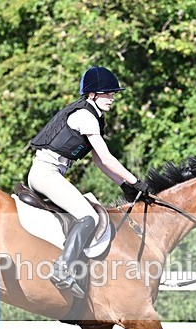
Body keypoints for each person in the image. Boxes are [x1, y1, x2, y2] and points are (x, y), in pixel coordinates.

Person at [28, 66, 150, 298]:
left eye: (113, 94)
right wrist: (136, 181)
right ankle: (62, 270)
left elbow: (98, 162)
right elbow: (106, 157)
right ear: (93, 94)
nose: (112, 98)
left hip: (49, 173)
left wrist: (123, 185)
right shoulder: (85, 116)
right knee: (89, 216)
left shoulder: (93, 116)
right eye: (108, 93)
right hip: (46, 173)